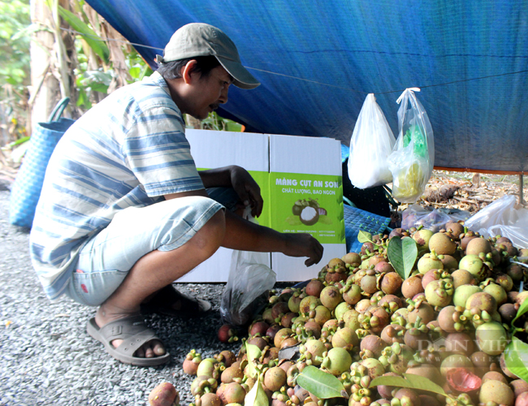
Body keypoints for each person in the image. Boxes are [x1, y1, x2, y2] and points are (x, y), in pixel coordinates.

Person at [29, 23, 323, 366]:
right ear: (189, 71)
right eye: (223, 83)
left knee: (219, 197)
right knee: (207, 220)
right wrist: (286, 243)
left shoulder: (150, 99)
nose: (225, 98)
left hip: (96, 245)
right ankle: (114, 311)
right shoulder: (152, 109)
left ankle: (150, 290)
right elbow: (196, 214)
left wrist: (227, 173)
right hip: (76, 266)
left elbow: (166, 184)